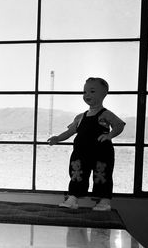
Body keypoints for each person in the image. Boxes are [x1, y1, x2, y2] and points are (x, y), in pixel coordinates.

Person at [47, 77, 125, 211]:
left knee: (102, 174)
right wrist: (57, 138)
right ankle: (73, 198)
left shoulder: (105, 114)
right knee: (77, 173)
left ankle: (104, 201)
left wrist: (109, 135)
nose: (87, 95)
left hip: (101, 152)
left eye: (92, 91)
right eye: (85, 92)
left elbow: (119, 125)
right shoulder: (80, 117)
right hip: (81, 152)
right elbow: (70, 131)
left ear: (103, 94)